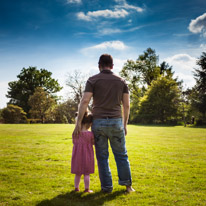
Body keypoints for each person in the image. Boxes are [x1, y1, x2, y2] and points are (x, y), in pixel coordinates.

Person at [73, 54, 135, 193]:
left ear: (99, 65)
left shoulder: (93, 80)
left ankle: (106, 188)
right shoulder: (121, 81)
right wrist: (124, 125)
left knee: (102, 157)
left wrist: (78, 124)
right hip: (116, 122)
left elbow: (84, 102)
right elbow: (126, 106)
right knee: (121, 155)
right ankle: (128, 186)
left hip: (99, 123)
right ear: (112, 66)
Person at [71, 111, 95, 193]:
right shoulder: (90, 134)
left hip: (77, 155)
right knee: (86, 173)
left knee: (78, 173)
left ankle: (76, 188)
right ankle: (86, 189)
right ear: (89, 124)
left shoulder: (75, 133)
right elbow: (93, 143)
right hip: (87, 155)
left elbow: (74, 142)